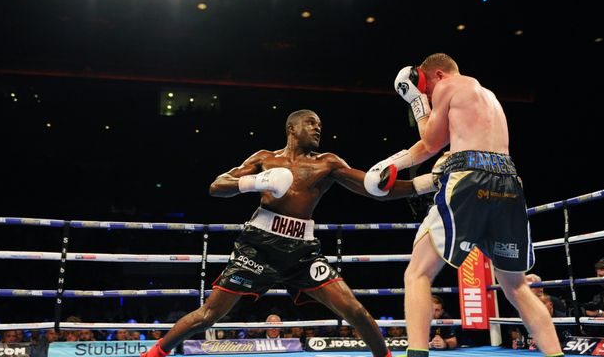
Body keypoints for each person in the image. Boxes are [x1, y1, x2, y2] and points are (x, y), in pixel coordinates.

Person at [141, 109, 425, 357]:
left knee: (355, 311)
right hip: (257, 248)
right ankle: (155, 352)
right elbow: (217, 186)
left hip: (303, 252)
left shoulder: (327, 162)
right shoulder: (265, 159)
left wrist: (424, 184)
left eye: (320, 126)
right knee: (209, 315)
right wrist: (256, 181)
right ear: (292, 128)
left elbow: (372, 187)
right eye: (311, 123)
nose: (317, 129)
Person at [364, 53, 563, 357]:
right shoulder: (487, 96)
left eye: (426, 87)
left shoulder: (447, 85)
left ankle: (416, 354)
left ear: (438, 75)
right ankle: (556, 354)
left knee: (417, 273)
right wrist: (394, 163)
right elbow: (437, 141)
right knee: (517, 287)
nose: (428, 95)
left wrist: (418, 102)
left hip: (471, 181)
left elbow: (431, 141)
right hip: (509, 183)